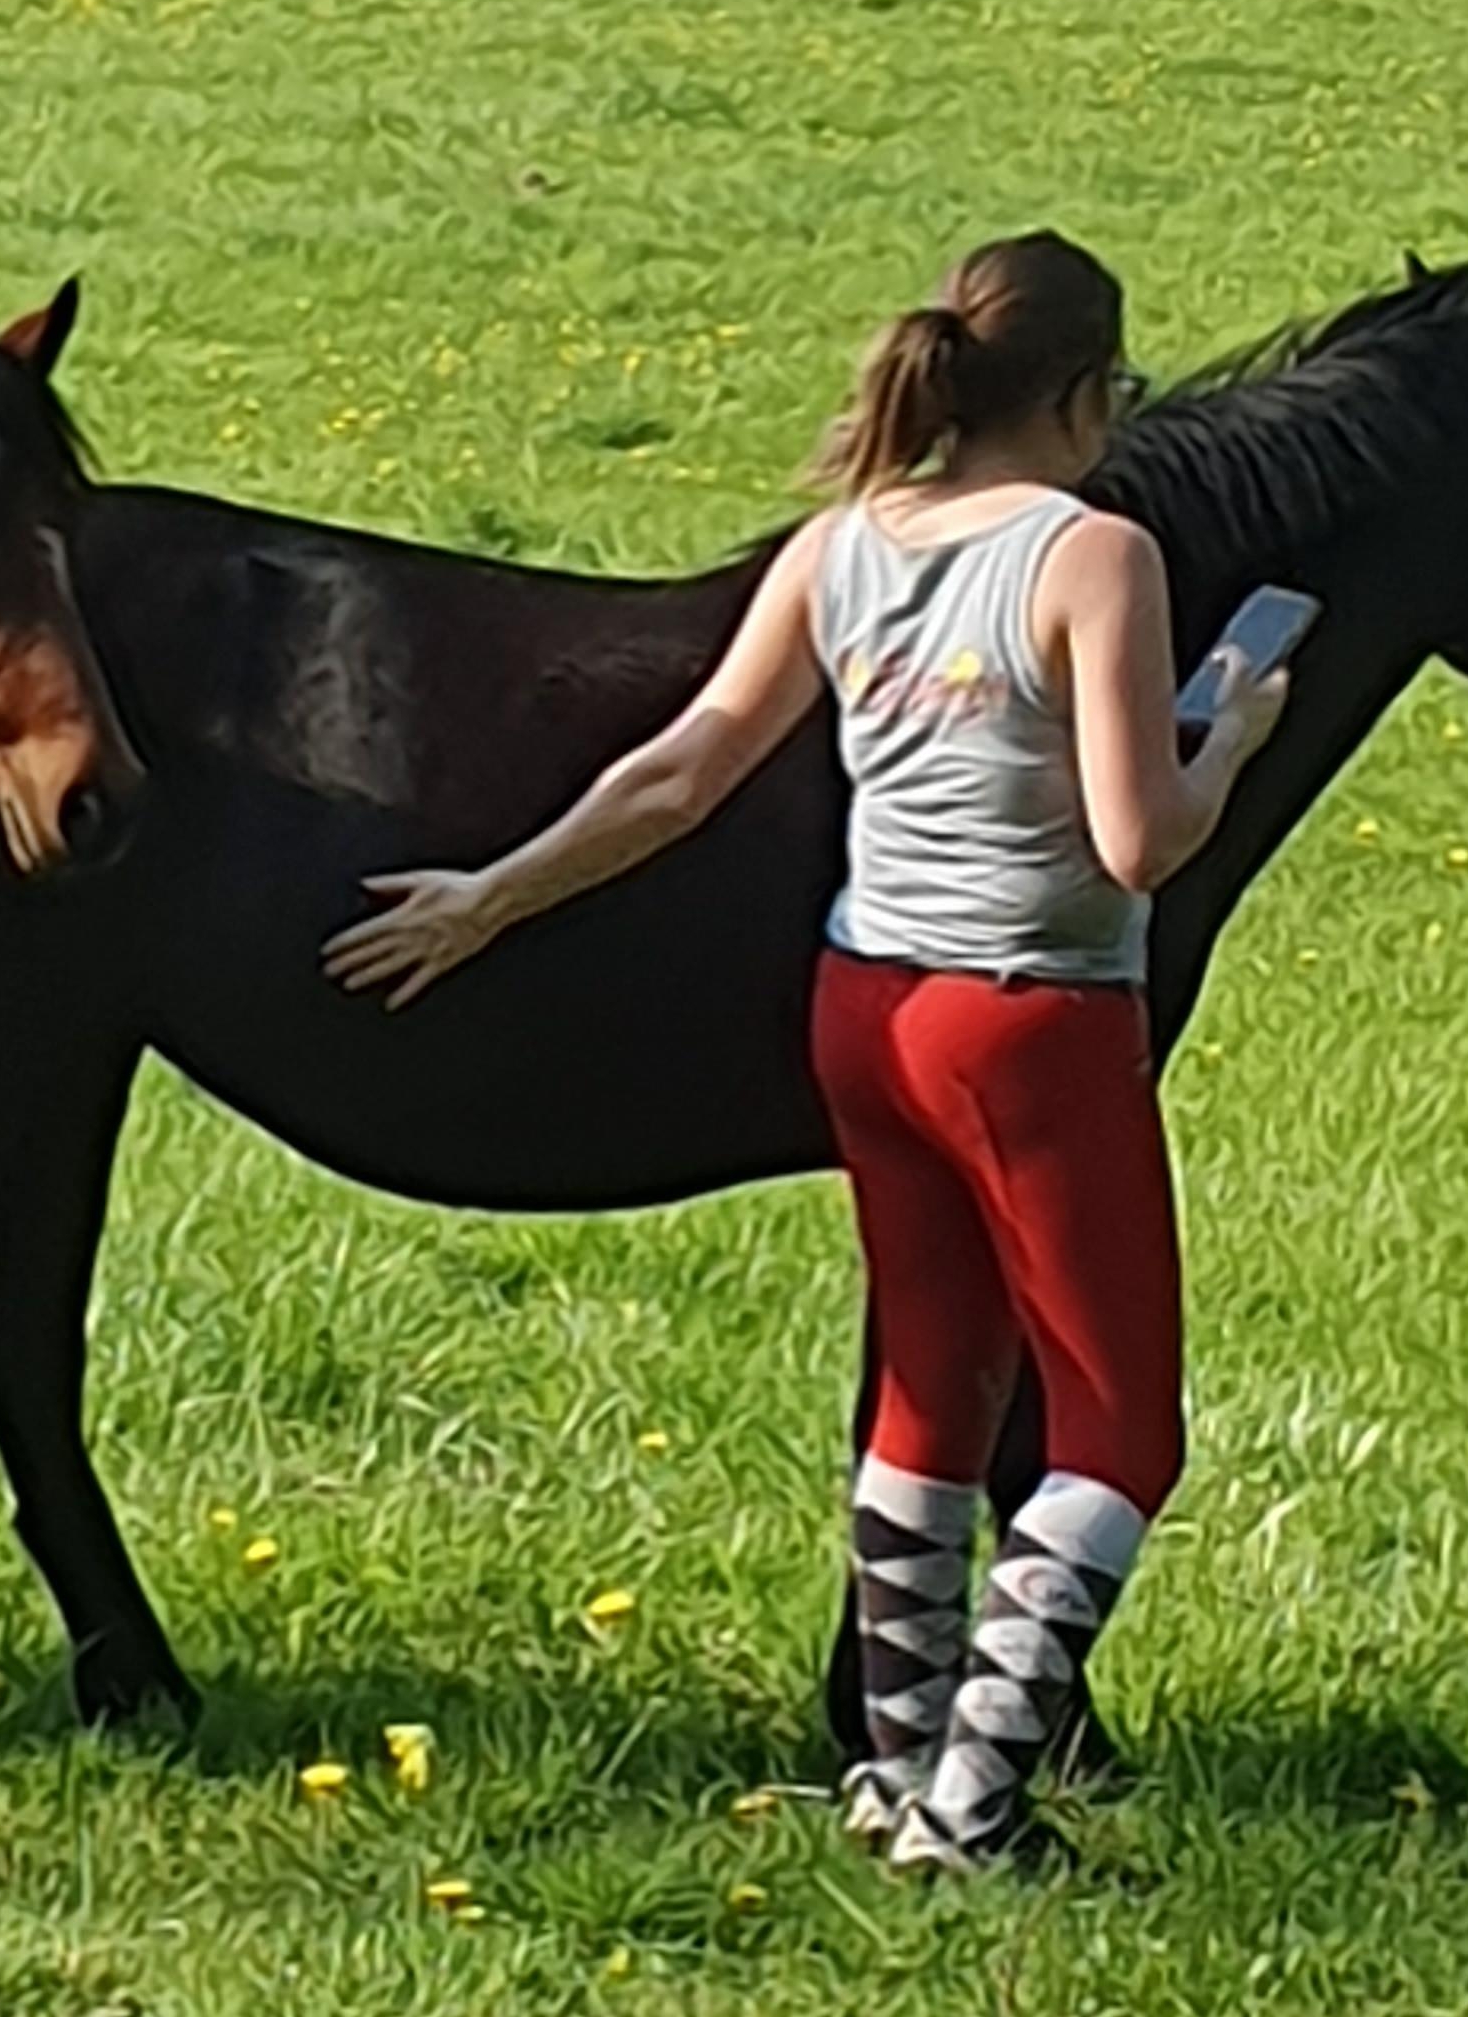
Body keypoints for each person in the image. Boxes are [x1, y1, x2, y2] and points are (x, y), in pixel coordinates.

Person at [320, 230, 1291, 1870]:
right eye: (1113, 388)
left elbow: (683, 767)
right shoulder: (1093, 558)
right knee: (1122, 1433)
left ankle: (897, 1769)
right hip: (1031, 1017)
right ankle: (980, 1798)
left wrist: (492, 896)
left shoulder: (843, 544)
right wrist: (1228, 740)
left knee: (931, 1386)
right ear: (1073, 391)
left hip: (866, 1010)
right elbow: (1136, 842)